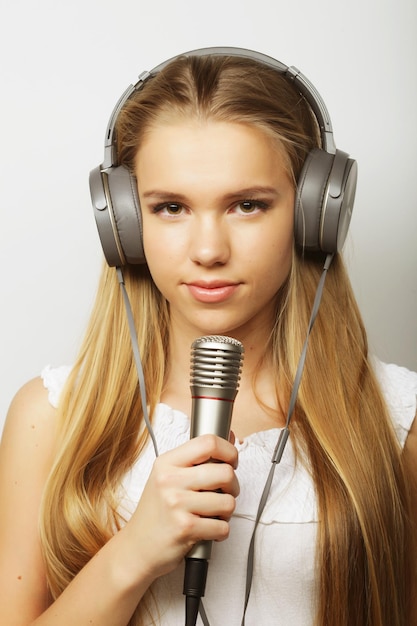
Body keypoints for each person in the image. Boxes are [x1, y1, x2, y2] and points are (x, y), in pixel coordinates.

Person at [0, 48, 416, 626]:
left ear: (313, 214)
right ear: (121, 223)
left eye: (247, 205)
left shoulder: (397, 421)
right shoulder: (50, 416)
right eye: (170, 207)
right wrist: (133, 554)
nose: (208, 251)